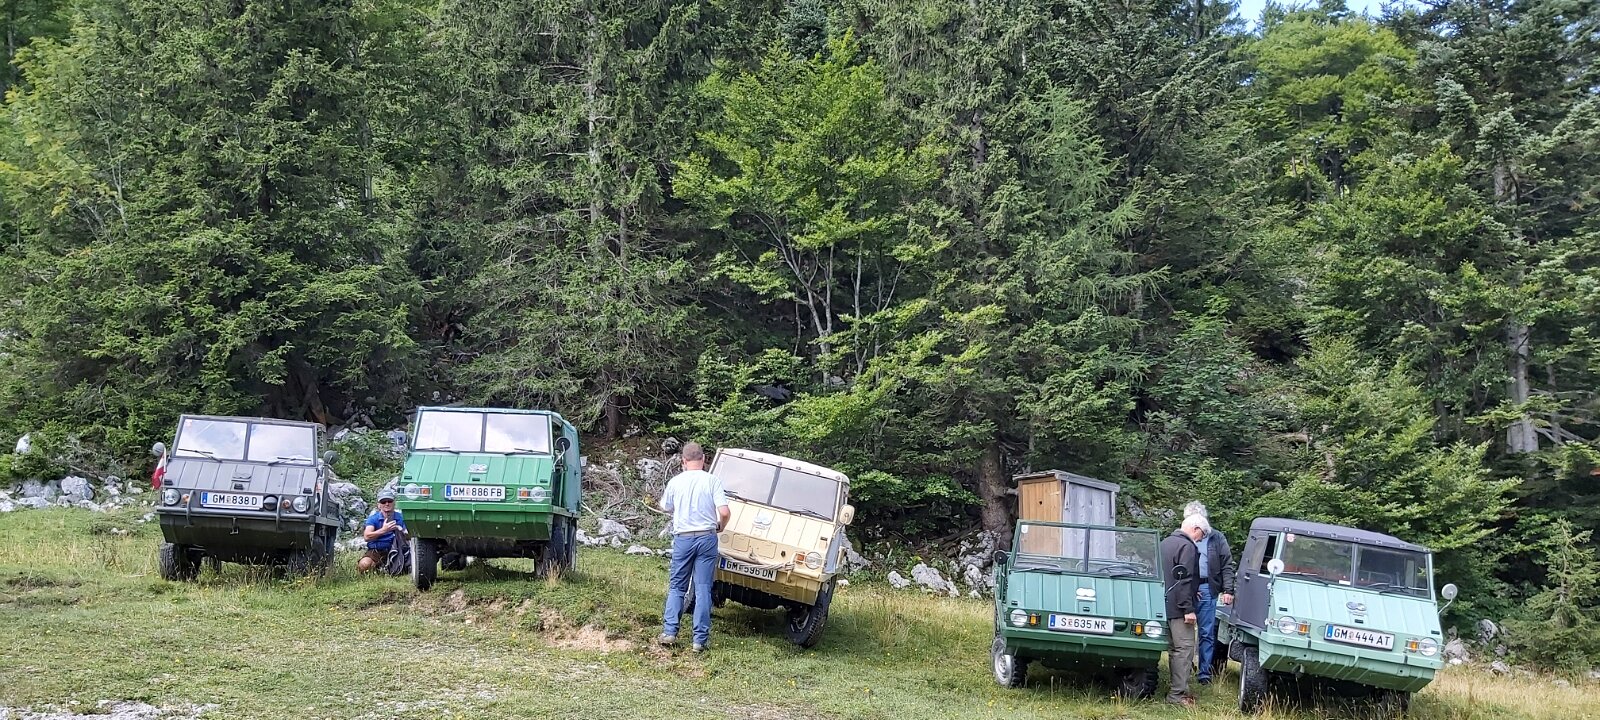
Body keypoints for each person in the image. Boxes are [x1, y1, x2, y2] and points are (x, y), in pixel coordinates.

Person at [657, 441, 730, 653]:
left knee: (677, 587)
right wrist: (720, 526)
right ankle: (699, 640)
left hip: (684, 539)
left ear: (684, 461)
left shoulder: (676, 481)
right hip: (707, 538)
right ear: (704, 459)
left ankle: (670, 632)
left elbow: (665, 507)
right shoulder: (712, 481)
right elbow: (724, 512)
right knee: (703, 588)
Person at [1183, 501, 1237, 685]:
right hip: (1187, 587)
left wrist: (1228, 589)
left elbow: (1227, 564)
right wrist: (1189, 587)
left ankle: (1204, 673)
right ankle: (1185, 668)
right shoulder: (1182, 536)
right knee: (1184, 630)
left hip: (1208, 588)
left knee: (1206, 632)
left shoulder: (1217, 538)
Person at [1160, 515, 1206, 707]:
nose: (1201, 539)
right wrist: (1188, 608)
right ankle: (1177, 695)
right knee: (1184, 649)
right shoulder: (1187, 546)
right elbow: (1184, 579)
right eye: (1202, 534)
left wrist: (1193, 591)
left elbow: (1170, 575)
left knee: (1174, 649)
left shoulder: (1165, 543)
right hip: (1180, 608)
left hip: (1164, 604)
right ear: (1195, 529)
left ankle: (1178, 689)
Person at [358, 490, 407, 573]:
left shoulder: (402, 518)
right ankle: (378, 569)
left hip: (398, 550)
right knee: (364, 564)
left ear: (394, 503)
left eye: (389, 501)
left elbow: (410, 536)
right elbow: (366, 537)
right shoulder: (373, 519)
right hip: (376, 551)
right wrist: (384, 530)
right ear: (379, 505)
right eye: (383, 502)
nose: (387, 504)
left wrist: (401, 531)